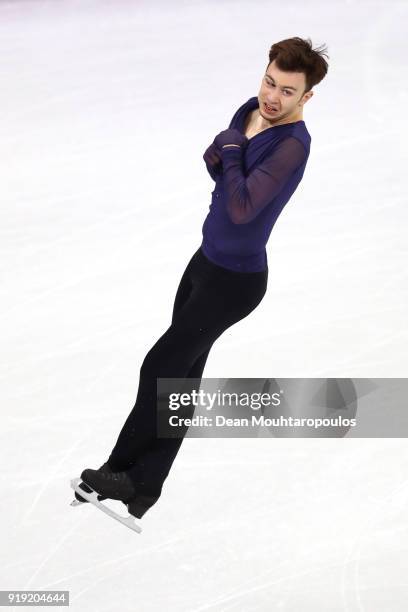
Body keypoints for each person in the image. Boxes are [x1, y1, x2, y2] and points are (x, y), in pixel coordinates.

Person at [72, 36, 329, 522]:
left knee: (160, 366)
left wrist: (229, 153)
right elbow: (221, 170)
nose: (272, 97)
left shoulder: (293, 147)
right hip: (205, 262)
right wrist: (223, 154)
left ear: (307, 97)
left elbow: (241, 206)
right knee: (181, 377)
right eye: (269, 81)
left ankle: (119, 469)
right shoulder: (250, 110)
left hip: (236, 284)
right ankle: (144, 486)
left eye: (288, 91)